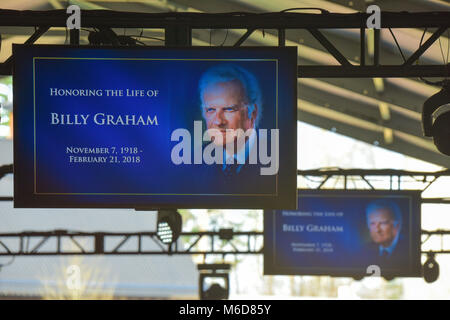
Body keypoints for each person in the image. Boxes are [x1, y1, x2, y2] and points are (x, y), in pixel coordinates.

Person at [198, 64, 262, 176]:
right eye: (211, 110)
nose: (218, 121)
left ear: (253, 112)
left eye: (229, 109)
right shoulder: (194, 160)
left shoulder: (278, 157)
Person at [362, 199, 407, 268]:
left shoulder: (408, 249)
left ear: (397, 225)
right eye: (372, 223)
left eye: (383, 223)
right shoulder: (365, 251)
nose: (377, 230)